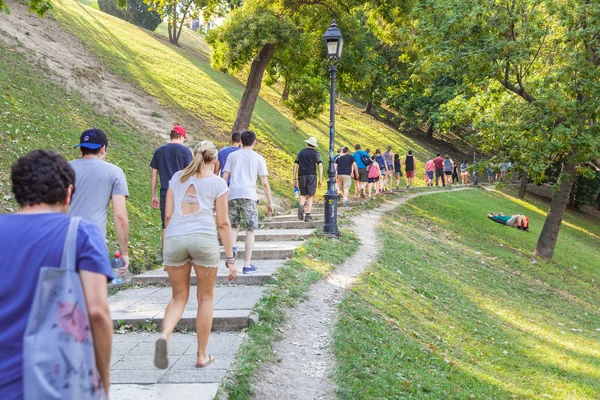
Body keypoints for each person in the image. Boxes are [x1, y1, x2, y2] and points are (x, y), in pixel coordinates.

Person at [0, 150, 113, 398]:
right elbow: (97, 312)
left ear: (18, 193)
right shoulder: (80, 233)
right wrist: (103, 382)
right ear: (68, 193)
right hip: (58, 386)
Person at [154, 141, 237, 371]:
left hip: (175, 238)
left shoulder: (177, 177)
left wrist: (167, 253)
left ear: (194, 156)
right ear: (216, 161)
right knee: (205, 299)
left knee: (178, 297)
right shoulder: (218, 183)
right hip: (203, 239)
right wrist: (230, 258)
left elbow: (168, 216)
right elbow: (223, 223)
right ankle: (202, 355)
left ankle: (164, 336)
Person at [69, 128, 130, 277]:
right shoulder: (115, 172)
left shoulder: (63, 168)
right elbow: (120, 215)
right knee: (91, 296)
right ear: (103, 149)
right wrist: (124, 253)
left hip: (63, 241)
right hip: (93, 244)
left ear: (80, 149)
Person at [222, 130, 274, 274]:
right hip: (249, 195)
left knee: (233, 226)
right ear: (254, 142)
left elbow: (224, 177)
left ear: (240, 141)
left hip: (232, 194)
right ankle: (247, 264)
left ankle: (232, 247)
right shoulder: (258, 158)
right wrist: (270, 202)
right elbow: (264, 183)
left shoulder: (232, 156)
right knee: (250, 230)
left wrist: (220, 196)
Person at [151, 126, 193, 246]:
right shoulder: (185, 152)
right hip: (182, 193)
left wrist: (153, 195)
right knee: (183, 223)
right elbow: (190, 174)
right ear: (180, 136)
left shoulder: (159, 151)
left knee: (166, 226)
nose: (184, 140)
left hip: (165, 192)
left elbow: (154, 174)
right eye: (184, 138)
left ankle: (166, 257)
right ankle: (181, 256)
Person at [293, 137, 323, 222]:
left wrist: (294, 178)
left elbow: (295, 165)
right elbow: (320, 165)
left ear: (307, 144)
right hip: (312, 175)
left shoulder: (301, 153)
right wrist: (320, 179)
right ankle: (308, 215)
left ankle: (301, 206)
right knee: (310, 195)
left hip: (301, 175)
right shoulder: (317, 153)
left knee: (303, 194)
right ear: (314, 145)